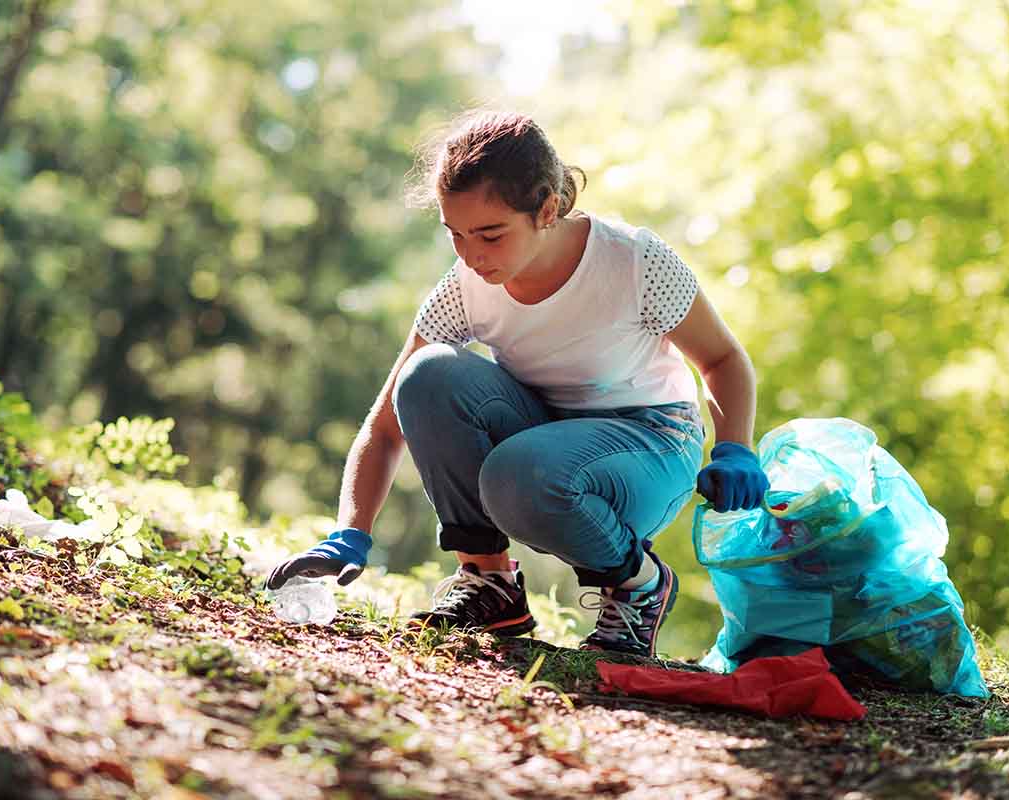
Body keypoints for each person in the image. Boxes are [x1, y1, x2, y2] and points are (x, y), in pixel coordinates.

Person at [266, 110, 769, 657]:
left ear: (547, 208)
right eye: (455, 234)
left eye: (490, 234)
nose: (472, 254)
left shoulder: (633, 261)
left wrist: (736, 449)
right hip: (541, 437)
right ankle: (491, 584)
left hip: (649, 443)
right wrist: (351, 533)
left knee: (520, 471)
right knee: (428, 374)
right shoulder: (466, 286)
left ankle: (639, 585)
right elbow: (387, 424)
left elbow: (722, 358)